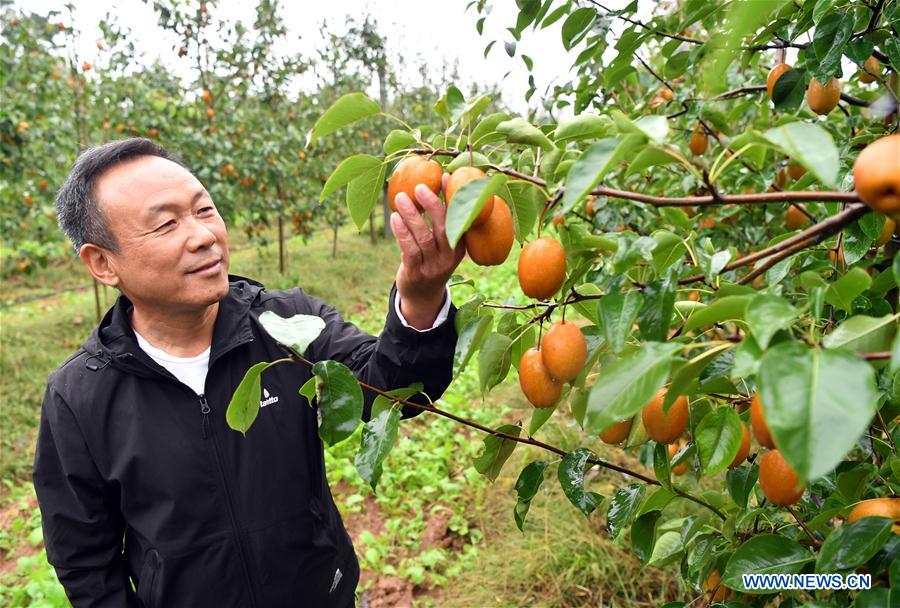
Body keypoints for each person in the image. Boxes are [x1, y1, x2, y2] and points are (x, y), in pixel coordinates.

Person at [32, 138, 465, 607]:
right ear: (102, 262)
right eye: (166, 224)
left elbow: (391, 391)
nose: (203, 236)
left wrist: (421, 300)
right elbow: (85, 562)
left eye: (204, 210)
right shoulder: (80, 396)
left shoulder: (286, 325)